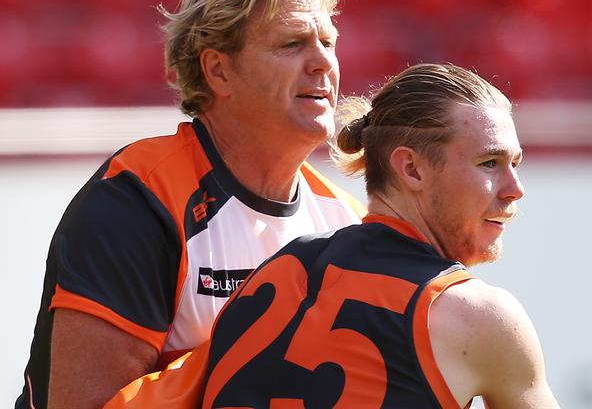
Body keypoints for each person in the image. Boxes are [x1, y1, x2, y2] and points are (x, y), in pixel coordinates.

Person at [16, 0, 364, 409]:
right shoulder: (137, 199)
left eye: (329, 41)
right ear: (218, 71)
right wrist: (251, 350)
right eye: (292, 44)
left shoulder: (347, 223)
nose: (323, 62)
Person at [104, 63, 560, 408]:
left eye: (514, 164)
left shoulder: (276, 271)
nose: (514, 189)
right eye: (489, 164)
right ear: (411, 168)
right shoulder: (479, 316)